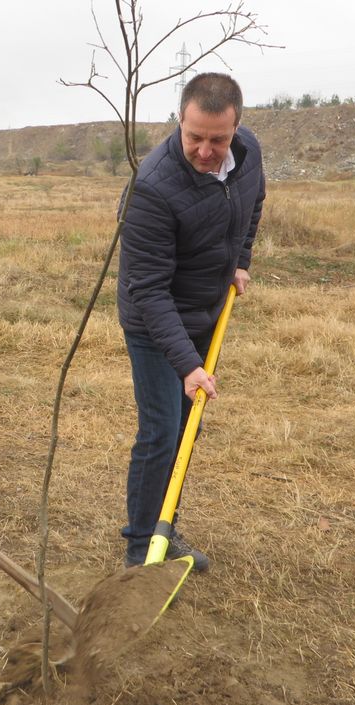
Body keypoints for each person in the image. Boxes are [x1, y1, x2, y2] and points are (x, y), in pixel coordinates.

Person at [116, 73, 265, 570]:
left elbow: (254, 202)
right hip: (153, 318)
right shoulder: (152, 187)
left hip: (205, 307)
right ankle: (141, 549)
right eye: (194, 136)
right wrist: (187, 366)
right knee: (161, 431)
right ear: (180, 121)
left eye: (217, 139)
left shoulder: (247, 154)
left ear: (237, 129)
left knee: (186, 430)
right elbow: (149, 289)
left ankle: (165, 529)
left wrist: (240, 258)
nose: (205, 150)